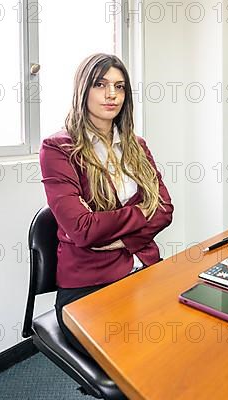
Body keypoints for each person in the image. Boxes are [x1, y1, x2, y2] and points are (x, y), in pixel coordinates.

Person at [39, 53, 174, 355]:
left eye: (120, 86)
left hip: (146, 270)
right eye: (100, 84)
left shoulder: (137, 146)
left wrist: (120, 238)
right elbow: (82, 230)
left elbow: (165, 210)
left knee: (193, 336)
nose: (112, 94)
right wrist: (141, 212)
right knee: (142, 354)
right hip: (89, 286)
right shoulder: (59, 149)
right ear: (83, 90)